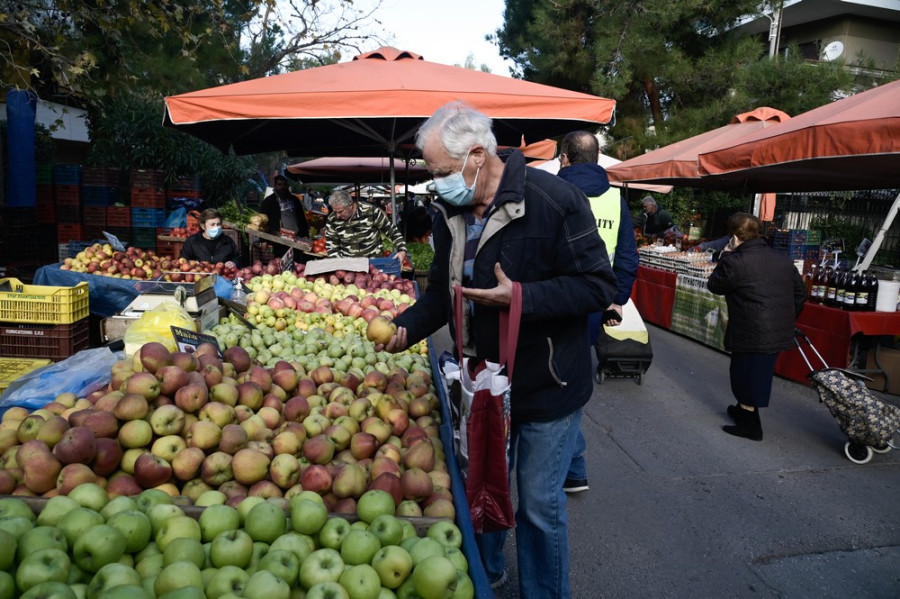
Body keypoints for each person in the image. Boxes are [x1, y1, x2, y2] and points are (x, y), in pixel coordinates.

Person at [383, 102, 617, 598]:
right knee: (484, 486)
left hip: (546, 383)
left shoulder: (554, 201)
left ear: (474, 156)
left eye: (439, 171)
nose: (434, 182)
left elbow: (599, 286)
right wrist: (404, 328)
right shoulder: (450, 212)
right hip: (481, 381)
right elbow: (439, 296)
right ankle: (488, 575)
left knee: (537, 504)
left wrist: (522, 298)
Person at [557, 130, 640, 494]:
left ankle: (570, 467)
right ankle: (573, 467)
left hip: (553, 301)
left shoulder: (549, 190)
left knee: (553, 382)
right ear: (599, 156)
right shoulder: (615, 199)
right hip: (595, 303)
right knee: (574, 379)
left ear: (564, 157)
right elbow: (626, 256)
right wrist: (617, 300)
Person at [707, 213, 805, 441]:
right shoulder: (782, 259)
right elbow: (800, 293)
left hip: (751, 327)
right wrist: (787, 317)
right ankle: (743, 411)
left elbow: (715, 285)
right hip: (776, 327)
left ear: (734, 236)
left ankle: (751, 426)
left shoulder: (735, 261)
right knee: (753, 373)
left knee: (745, 374)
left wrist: (725, 255)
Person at [325, 190, 408, 264]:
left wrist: (402, 250)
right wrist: (339, 265)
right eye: (335, 211)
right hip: (348, 267)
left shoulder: (371, 211)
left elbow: (392, 231)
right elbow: (331, 246)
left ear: (350, 205)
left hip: (373, 264)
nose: (337, 215)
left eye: (340, 211)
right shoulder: (332, 219)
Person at [258, 175, 310, 239]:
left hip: (297, 238)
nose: (282, 187)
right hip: (278, 239)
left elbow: (302, 218)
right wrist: (263, 240)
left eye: (284, 184)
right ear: (275, 186)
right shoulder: (268, 202)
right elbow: (263, 222)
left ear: (287, 185)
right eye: (279, 184)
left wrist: (306, 234)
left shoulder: (295, 200)